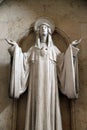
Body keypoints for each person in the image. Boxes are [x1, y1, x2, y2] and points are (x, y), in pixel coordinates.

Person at [6, 18, 81, 130]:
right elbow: (23, 62)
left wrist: (71, 49)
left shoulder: (54, 50)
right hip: (36, 85)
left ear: (49, 31)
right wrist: (15, 49)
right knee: (37, 106)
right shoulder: (33, 50)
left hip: (51, 85)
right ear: (38, 32)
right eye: (41, 28)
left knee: (50, 106)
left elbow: (63, 63)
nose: (43, 29)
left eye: (45, 27)